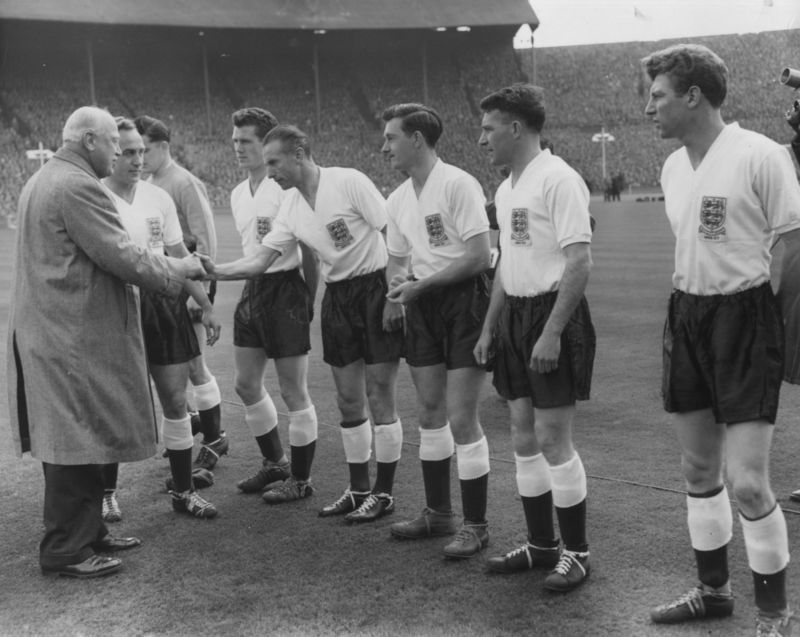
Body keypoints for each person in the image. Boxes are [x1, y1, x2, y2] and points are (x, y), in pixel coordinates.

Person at [641, 44, 800, 636]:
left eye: (658, 95)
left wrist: (778, 328)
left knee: (750, 481)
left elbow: (795, 243)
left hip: (746, 318)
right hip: (686, 316)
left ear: (692, 95)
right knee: (697, 469)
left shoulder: (758, 154)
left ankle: (776, 617)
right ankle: (713, 592)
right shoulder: (672, 166)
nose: (649, 108)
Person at [7, 106, 204, 578]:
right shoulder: (76, 185)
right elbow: (121, 254)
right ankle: (66, 550)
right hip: (68, 336)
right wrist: (180, 271)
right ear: (90, 141)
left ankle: (89, 531)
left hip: (60, 330)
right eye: (115, 144)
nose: (120, 153)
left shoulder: (46, 178)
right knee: (72, 442)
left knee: (84, 435)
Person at [199, 124, 404, 521]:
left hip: (376, 290)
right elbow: (262, 259)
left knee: (380, 396)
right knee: (348, 400)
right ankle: (358, 488)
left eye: (275, 161)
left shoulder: (348, 181)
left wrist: (396, 293)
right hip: (339, 298)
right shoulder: (290, 205)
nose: (270, 169)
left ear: (300, 154)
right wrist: (216, 271)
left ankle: (384, 492)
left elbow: (393, 233)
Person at [473, 85, 596, 590]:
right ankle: (542, 545)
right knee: (522, 436)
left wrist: (551, 332)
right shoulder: (505, 188)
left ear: (516, 128)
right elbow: (506, 266)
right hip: (514, 318)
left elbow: (580, 261)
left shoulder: (560, 179)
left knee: (552, 439)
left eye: (488, 128)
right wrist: (488, 328)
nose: (482, 139)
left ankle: (578, 552)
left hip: (551, 317)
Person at [380, 103, 493, 559]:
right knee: (430, 411)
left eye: (391, 137)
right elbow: (396, 257)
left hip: (464, 301)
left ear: (418, 140)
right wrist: (396, 283)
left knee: (462, 416)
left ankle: (477, 525)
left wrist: (420, 284)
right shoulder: (397, 198)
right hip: (423, 304)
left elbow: (479, 256)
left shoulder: (459, 183)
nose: (384, 145)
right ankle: (438, 512)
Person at [102, 117, 220, 519]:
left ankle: (183, 491)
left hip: (164, 303)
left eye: (140, 151)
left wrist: (204, 305)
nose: (137, 159)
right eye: (127, 152)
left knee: (174, 399)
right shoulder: (94, 197)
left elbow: (180, 258)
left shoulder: (158, 198)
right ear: (110, 153)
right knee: (115, 404)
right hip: (118, 305)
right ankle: (105, 492)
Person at [227, 108, 320, 499]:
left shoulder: (284, 188)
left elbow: (310, 251)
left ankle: (301, 480)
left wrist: (308, 301)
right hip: (253, 290)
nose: (238, 148)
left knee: (292, 391)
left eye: (246, 141)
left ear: (265, 144)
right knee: (245, 384)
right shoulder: (236, 193)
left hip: (286, 289)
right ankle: (275, 463)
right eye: (235, 142)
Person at [134, 115, 227, 471]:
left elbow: (205, 239)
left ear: (163, 146)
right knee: (178, 367)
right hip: (168, 284)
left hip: (189, 283)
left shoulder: (183, 182)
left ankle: (216, 439)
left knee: (194, 365)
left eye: (146, 149)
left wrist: (199, 292)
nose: (141, 158)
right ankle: (191, 428)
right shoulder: (152, 182)